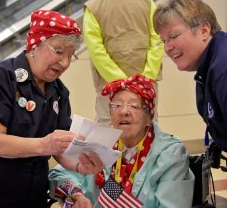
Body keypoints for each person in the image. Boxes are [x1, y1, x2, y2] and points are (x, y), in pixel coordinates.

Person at [0, 10, 103, 208]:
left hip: (30, 197)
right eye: (59, 51)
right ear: (35, 43)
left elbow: (60, 152)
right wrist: (44, 145)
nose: (65, 63)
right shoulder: (1, 78)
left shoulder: (59, 92)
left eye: (70, 55)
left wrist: (81, 165)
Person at [153, 0, 227, 207]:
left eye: (173, 36)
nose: (167, 47)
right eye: (163, 40)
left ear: (204, 30)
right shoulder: (212, 66)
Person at [49, 74, 194, 208]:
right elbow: (56, 176)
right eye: (116, 105)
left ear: (150, 116)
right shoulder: (101, 144)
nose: (124, 112)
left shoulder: (170, 154)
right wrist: (76, 195)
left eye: (134, 106)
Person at [83, 0, 163, 125]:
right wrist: (147, 76)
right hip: (146, 84)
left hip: (110, 86)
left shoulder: (92, 7)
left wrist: (120, 82)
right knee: (147, 125)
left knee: (110, 132)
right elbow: (158, 38)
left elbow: (96, 51)